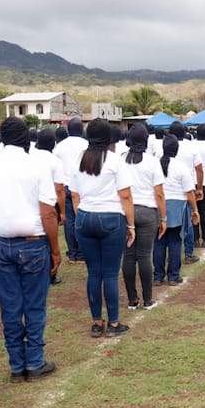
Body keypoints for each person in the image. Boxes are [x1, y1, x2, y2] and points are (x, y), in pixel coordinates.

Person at [0, 117, 60, 382]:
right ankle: (34, 361)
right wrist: (55, 250)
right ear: (25, 137)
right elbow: (48, 211)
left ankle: (16, 365)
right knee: (34, 306)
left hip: (2, 244)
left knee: (11, 307)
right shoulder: (35, 165)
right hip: (33, 242)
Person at [70, 118, 135, 338]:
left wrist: (82, 216)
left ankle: (97, 322)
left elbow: (75, 194)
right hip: (110, 218)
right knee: (109, 273)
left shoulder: (79, 159)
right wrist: (131, 224)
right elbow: (125, 195)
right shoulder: (115, 160)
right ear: (108, 138)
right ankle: (114, 323)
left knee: (93, 273)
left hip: (85, 217)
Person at [122, 123, 166, 309]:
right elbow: (159, 194)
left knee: (129, 256)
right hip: (148, 212)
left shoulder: (120, 159)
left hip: (126, 212)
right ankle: (148, 299)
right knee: (145, 256)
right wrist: (163, 218)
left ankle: (132, 299)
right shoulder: (152, 161)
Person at [156, 135, 200, 286]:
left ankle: (158, 276)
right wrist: (195, 209)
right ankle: (173, 276)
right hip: (177, 208)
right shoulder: (181, 167)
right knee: (175, 242)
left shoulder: (155, 164)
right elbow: (189, 192)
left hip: (158, 205)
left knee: (159, 242)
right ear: (177, 149)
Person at [30, 127, 67, 285]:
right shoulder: (55, 162)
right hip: (50, 204)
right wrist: (63, 212)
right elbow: (59, 189)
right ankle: (52, 273)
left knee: (36, 237)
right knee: (51, 237)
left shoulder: (30, 157)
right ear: (53, 143)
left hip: (32, 201)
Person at [53, 118, 87, 262]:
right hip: (83, 187)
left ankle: (73, 253)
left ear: (68, 130)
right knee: (83, 219)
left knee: (69, 222)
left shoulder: (59, 147)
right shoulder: (87, 144)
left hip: (65, 187)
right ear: (81, 130)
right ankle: (84, 251)